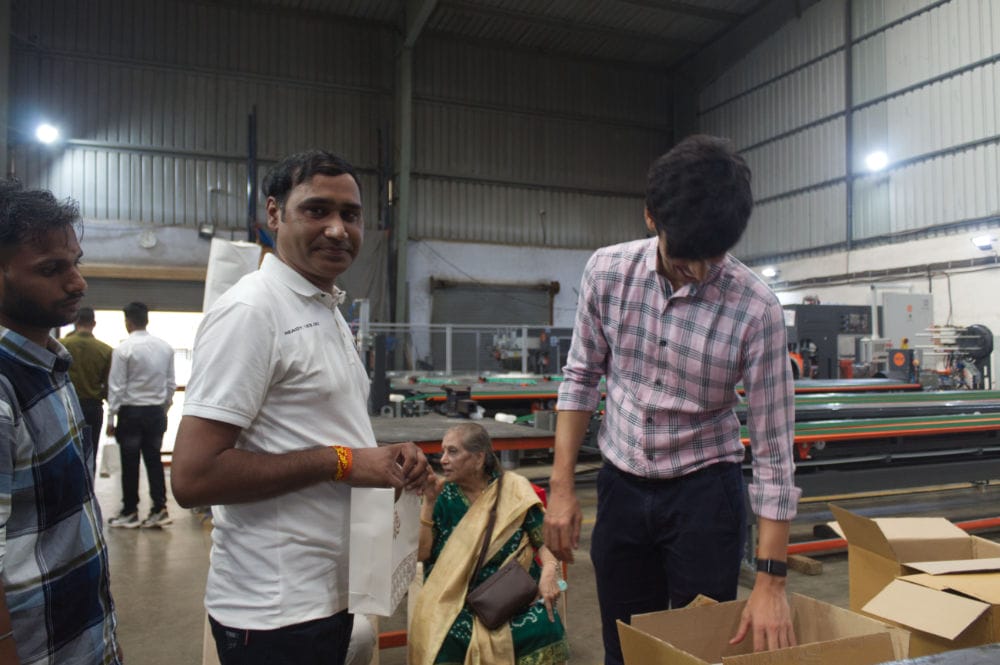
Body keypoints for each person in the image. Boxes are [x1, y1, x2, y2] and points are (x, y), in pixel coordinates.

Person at [543, 135, 802, 665]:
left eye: (714, 258)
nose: (701, 273)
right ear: (650, 217)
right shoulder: (608, 273)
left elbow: (774, 451)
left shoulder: (756, 309)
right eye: (687, 260)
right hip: (621, 485)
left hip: (706, 494)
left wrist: (771, 581)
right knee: (625, 648)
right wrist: (562, 487)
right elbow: (581, 376)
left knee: (697, 652)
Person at [170, 149, 430, 665]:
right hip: (274, 614)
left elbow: (313, 430)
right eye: (316, 210)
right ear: (274, 214)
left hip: (326, 594)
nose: (337, 229)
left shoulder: (322, 307)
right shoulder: (253, 311)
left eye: (350, 214)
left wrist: (381, 458)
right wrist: (345, 461)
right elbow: (194, 477)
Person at [0, 178, 122, 663]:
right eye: (51, 269)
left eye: (76, 263)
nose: (77, 283)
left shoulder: (47, 362)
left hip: (80, 637)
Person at [409, 423, 569, 665]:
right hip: (456, 602)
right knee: (445, 639)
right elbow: (422, 553)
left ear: (478, 458)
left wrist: (548, 572)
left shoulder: (513, 489)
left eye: (453, 451)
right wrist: (428, 503)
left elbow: (545, 542)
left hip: (513, 598)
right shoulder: (442, 497)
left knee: (545, 625)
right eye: (443, 451)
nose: (443, 460)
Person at [105, 300, 177, 528]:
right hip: (155, 412)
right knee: (154, 460)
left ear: (127, 322)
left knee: (130, 463)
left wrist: (111, 417)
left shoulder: (123, 349)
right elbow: (171, 384)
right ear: (147, 320)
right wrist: (163, 408)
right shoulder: (165, 347)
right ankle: (159, 509)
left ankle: (130, 511)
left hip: (131, 413)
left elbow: (116, 387)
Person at [61, 305, 113, 474]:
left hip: (66, 406)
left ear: (75, 321)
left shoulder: (62, 345)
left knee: (66, 452)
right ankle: (89, 486)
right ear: (94, 323)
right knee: (91, 452)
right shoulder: (105, 350)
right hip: (93, 407)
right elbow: (108, 385)